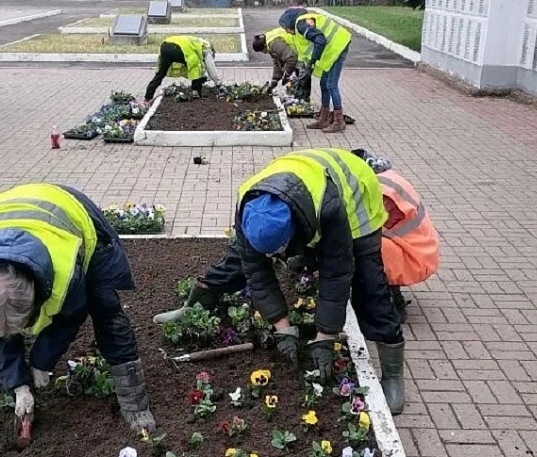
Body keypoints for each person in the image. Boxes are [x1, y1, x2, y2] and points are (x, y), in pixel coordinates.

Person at [154, 148, 407, 415]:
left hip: (355, 196)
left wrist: (325, 337)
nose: (275, 259)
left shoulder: (328, 207)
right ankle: (196, 304)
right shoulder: (248, 206)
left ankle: (392, 374)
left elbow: (335, 274)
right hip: (300, 185)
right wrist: (282, 327)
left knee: (369, 284)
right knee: (239, 259)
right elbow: (258, 274)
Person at [0, 183, 156, 433]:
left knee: (106, 307)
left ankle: (133, 400)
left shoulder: (64, 272)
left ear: (35, 298)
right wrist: (18, 385)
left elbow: (69, 318)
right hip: (9, 209)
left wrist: (42, 362)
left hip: (74, 212)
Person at [351, 149, 440, 321]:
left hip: (413, 257)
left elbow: (369, 227)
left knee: (364, 246)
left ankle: (391, 305)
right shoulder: (385, 176)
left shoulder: (383, 191)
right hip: (419, 249)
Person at [279, 9, 352, 133]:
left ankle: (339, 121)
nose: (286, 31)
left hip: (338, 47)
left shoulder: (301, 26)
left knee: (331, 84)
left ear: (290, 24)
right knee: (324, 83)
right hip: (333, 49)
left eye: (286, 28)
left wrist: (313, 61)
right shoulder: (301, 25)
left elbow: (320, 40)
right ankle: (324, 119)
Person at [144, 36, 222, 103]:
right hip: (178, 49)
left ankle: (148, 97)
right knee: (196, 68)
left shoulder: (195, 42)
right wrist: (218, 82)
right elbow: (210, 65)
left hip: (165, 46)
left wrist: (204, 77)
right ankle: (196, 92)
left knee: (161, 73)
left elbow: (187, 70)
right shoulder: (207, 48)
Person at [251, 28, 312, 101]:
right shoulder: (268, 39)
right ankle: (302, 99)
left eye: (262, 51)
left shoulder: (274, 44)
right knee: (300, 79)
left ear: (264, 47)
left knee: (302, 80)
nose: (264, 53)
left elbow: (292, 58)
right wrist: (275, 79)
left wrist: (287, 74)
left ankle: (303, 102)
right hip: (298, 53)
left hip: (304, 53)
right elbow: (277, 61)